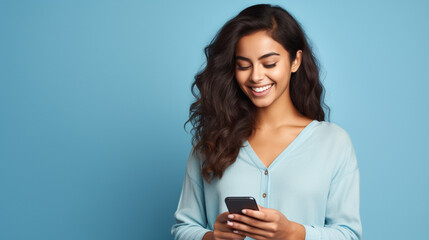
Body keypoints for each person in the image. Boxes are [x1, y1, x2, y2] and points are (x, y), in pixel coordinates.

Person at [171, 4, 361, 240]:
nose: (256, 76)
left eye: (269, 63)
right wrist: (211, 237)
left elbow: (349, 234)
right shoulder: (212, 142)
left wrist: (295, 233)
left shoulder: (333, 143)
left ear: (295, 61)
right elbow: (183, 228)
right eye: (243, 65)